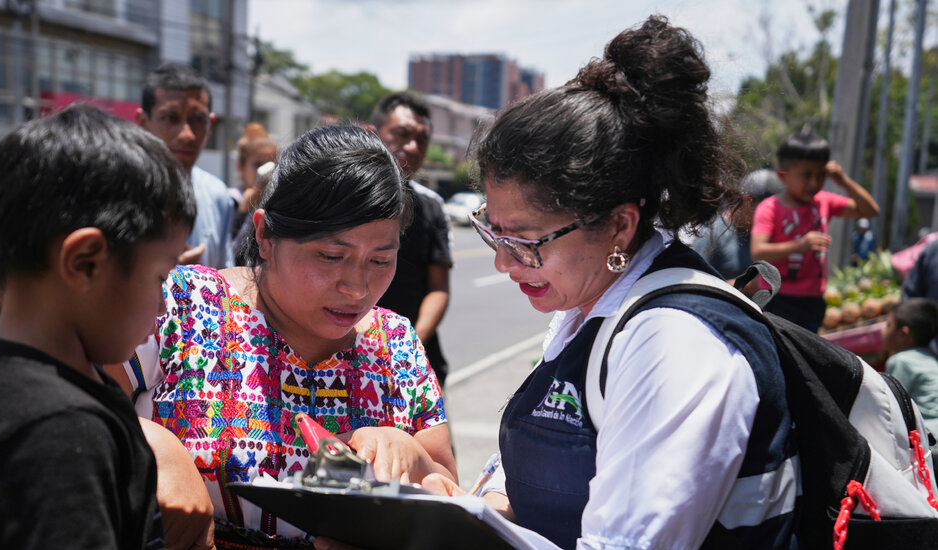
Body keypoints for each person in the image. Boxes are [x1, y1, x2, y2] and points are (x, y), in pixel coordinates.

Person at [404, 16, 798, 550]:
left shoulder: (672, 345)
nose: (503, 262)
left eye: (525, 241)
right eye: (491, 231)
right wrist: (482, 505)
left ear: (618, 225)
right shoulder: (589, 311)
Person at [117, 125, 456, 548]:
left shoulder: (396, 345)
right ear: (264, 236)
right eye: (332, 256)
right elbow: (75, 400)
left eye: (381, 260)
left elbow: (450, 496)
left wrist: (411, 454)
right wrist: (155, 445)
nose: (358, 287)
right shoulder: (182, 307)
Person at [0, 146, 214, 550]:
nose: (5, 241)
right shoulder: (45, 419)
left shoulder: (54, 359)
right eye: (158, 277)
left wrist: (162, 446)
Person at [750, 131, 879, 332]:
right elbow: (758, 251)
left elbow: (870, 210)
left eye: (820, 175)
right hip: (777, 297)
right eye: (807, 175)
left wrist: (843, 180)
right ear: (783, 175)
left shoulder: (824, 201)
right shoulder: (770, 208)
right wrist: (799, 245)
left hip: (813, 300)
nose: (814, 183)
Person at [371, 92, 453, 386]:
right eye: (402, 135)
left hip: (414, 363)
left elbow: (439, 288)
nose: (413, 147)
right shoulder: (341, 199)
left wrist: (408, 343)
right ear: (374, 134)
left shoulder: (431, 206)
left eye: (422, 139)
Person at [138, 62, 235, 269]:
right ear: (143, 122)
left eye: (197, 120)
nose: (187, 135)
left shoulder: (217, 194)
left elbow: (225, 280)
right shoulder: (123, 192)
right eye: (171, 118)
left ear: (211, 125)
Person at [691, 168, 781, 281]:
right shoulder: (713, 233)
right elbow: (695, 283)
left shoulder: (770, 235)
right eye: (769, 211)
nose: (773, 218)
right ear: (748, 200)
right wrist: (745, 286)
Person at [882, 298, 938, 452]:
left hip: (932, 442)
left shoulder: (900, 361)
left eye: (888, 325)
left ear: (903, 333)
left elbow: (891, 410)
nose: (883, 331)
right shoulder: (930, 357)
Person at [232, 122, 279, 255]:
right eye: (258, 164)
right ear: (240, 167)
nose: (264, 172)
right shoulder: (232, 199)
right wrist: (244, 211)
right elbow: (232, 252)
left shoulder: (277, 201)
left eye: (270, 164)